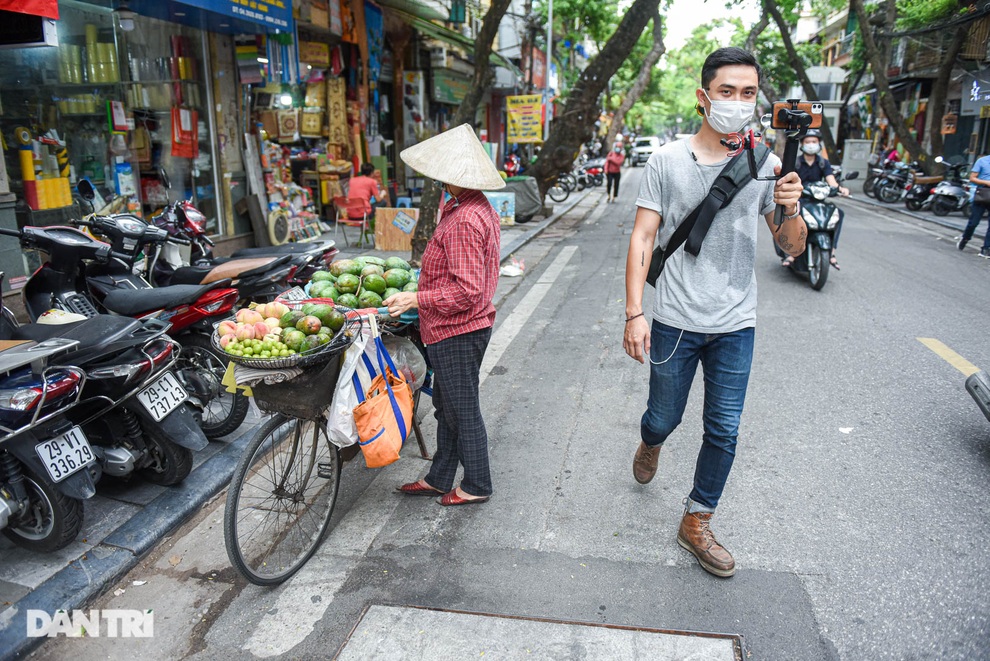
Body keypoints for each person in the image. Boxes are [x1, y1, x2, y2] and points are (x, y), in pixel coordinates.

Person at [622, 47, 805, 578]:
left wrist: (792, 206)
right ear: (704, 97)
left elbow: (790, 246)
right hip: (676, 318)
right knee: (665, 416)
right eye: (727, 92)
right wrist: (636, 313)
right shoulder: (666, 161)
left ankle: (696, 519)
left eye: (748, 94)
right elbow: (642, 238)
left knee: (724, 429)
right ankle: (651, 439)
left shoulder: (768, 165)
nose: (738, 103)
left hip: (736, 323)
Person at [386, 124, 504, 506]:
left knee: (462, 409)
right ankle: (440, 476)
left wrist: (416, 298)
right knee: (448, 407)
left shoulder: (465, 219)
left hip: (458, 330)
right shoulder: (470, 206)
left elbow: (467, 290)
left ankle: (477, 484)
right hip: (457, 329)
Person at [780, 129, 849, 269]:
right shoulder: (796, 163)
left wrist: (840, 189)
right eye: (807, 142)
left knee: (839, 214)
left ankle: (832, 252)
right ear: (802, 144)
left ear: (819, 144)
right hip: (800, 200)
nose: (811, 144)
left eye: (814, 142)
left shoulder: (823, 163)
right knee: (792, 216)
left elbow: (831, 181)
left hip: (818, 201)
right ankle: (792, 251)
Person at [959, 151, 990, 257]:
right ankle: (965, 238)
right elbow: (972, 178)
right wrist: (986, 182)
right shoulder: (982, 161)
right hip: (983, 193)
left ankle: (986, 248)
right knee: (974, 222)